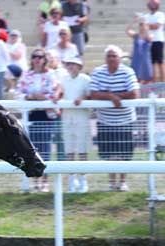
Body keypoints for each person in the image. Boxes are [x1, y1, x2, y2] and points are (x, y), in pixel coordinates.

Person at [90, 45, 140, 191]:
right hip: (105, 120)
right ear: (105, 58)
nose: (111, 58)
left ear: (120, 58)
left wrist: (110, 94)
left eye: (114, 56)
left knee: (125, 153)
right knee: (109, 153)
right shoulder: (98, 72)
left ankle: (123, 182)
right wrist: (111, 96)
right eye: (109, 56)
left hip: (126, 120)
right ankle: (112, 183)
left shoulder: (128, 71)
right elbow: (93, 93)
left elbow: (134, 93)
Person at [17, 48, 61, 192]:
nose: (37, 59)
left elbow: (53, 94)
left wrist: (41, 97)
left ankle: (44, 182)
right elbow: (18, 93)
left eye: (40, 57)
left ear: (44, 59)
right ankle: (35, 181)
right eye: (34, 56)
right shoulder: (26, 74)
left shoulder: (50, 75)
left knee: (45, 149)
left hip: (45, 115)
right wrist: (30, 97)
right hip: (30, 115)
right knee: (31, 149)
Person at [59, 56, 91, 193]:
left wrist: (82, 99)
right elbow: (60, 93)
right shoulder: (63, 79)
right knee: (69, 151)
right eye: (69, 64)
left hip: (81, 117)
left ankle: (83, 180)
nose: (71, 67)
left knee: (82, 150)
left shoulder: (85, 79)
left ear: (79, 66)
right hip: (67, 117)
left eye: (74, 64)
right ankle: (72, 180)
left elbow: (90, 95)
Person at [127, 17, 154, 83]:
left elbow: (149, 39)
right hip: (136, 59)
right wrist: (134, 21)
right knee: (135, 79)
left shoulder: (150, 35)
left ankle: (147, 92)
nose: (142, 27)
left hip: (145, 60)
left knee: (147, 79)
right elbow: (127, 30)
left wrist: (146, 26)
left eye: (144, 25)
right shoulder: (136, 35)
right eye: (141, 25)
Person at [146, 0, 165, 82]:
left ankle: (163, 81)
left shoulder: (161, 15)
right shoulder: (146, 16)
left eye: (153, 3)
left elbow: (156, 26)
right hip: (149, 41)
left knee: (160, 62)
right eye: (150, 3)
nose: (151, 5)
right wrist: (148, 26)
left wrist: (146, 25)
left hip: (158, 40)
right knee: (152, 62)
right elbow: (144, 27)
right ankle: (155, 82)